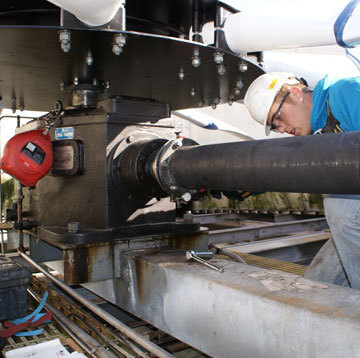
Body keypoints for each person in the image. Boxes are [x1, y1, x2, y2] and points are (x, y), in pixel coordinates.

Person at [244, 72, 360, 289]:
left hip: (350, 216)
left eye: (279, 117)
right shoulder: (318, 132)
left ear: (296, 93)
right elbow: (292, 170)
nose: (282, 129)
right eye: (275, 126)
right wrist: (243, 184)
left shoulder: (346, 92)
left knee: (340, 209)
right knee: (314, 288)